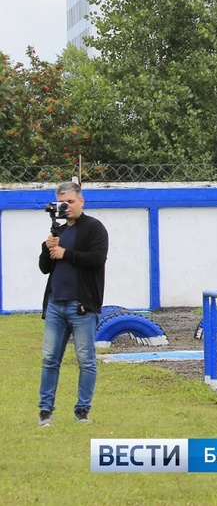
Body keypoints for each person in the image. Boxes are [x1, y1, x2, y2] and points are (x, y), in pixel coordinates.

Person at [38, 182, 109, 426]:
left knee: (86, 360)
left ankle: (82, 410)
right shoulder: (58, 230)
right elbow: (45, 268)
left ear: (81, 201)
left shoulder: (93, 228)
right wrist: (47, 248)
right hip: (56, 304)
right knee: (49, 359)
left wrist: (66, 253)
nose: (65, 206)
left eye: (69, 201)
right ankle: (45, 411)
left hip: (81, 305)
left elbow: (97, 259)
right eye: (62, 202)